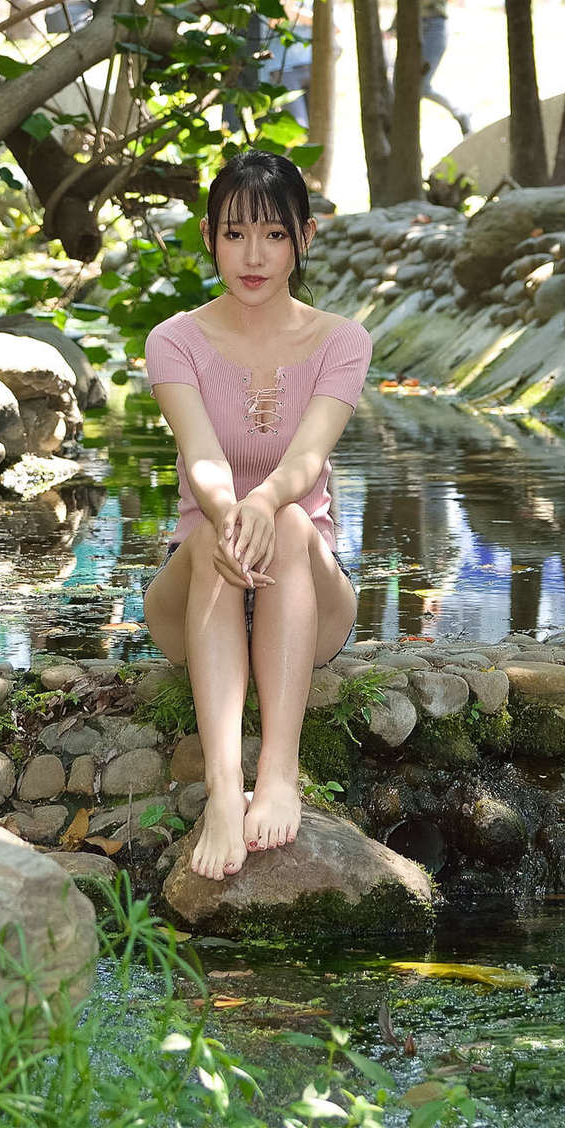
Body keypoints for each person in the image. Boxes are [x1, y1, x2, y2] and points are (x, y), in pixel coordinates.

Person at [140, 152, 371, 880]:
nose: (253, 254)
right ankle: (221, 790)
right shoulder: (174, 340)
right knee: (214, 531)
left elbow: (308, 460)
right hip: (195, 595)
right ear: (209, 236)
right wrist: (235, 513)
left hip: (309, 596)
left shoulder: (342, 342)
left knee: (297, 523)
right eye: (236, 234)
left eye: (273, 235)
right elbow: (202, 457)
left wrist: (269, 503)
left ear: (304, 238)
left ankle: (277, 771)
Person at [417, 0, 469, 131]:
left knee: (421, 85)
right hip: (414, 26)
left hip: (435, 25)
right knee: (404, 86)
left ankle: (460, 112)